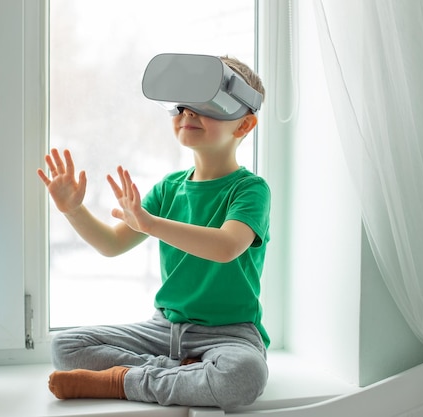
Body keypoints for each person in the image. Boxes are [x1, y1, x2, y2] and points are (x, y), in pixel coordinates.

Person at [36, 55, 270, 412]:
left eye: (204, 105)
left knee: (244, 374)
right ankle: (182, 375)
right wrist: (73, 209)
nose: (187, 114)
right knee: (66, 347)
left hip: (231, 333)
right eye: (180, 106)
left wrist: (150, 224)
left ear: (243, 126)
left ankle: (119, 380)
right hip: (164, 329)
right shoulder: (169, 188)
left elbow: (226, 246)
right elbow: (112, 244)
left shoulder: (250, 190)